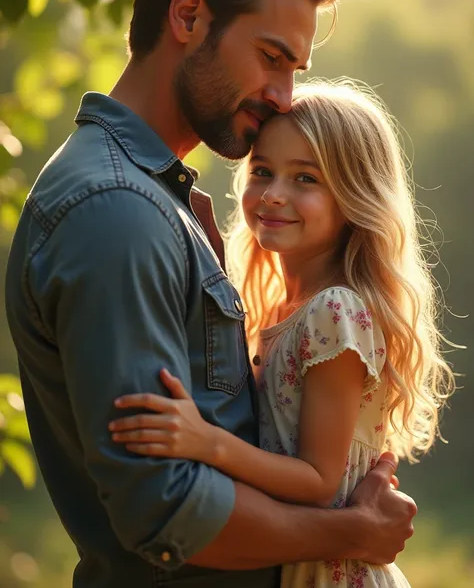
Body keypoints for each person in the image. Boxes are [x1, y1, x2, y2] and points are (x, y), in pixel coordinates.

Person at [5, 0, 416, 588]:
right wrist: (353, 531)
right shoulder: (116, 211)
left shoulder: (156, 197)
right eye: (271, 57)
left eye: (297, 70)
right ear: (188, 17)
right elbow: (167, 512)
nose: (286, 97)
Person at [109, 80, 455, 588]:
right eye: (263, 171)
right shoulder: (287, 310)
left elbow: (318, 483)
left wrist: (205, 442)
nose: (273, 194)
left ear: (354, 196)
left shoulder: (334, 312)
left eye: (306, 179)